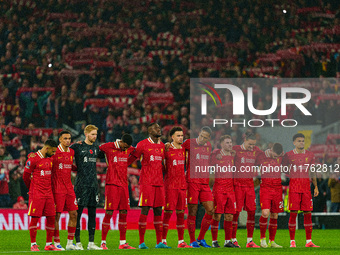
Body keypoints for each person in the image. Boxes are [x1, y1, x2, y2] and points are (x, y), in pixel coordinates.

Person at [127, 123, 170, 249]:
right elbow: (131, 158)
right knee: (145, 209)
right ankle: (141, 242)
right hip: (146, 182)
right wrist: (120, 165)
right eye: (156, 128)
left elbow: (162, 164)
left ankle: (159, 242)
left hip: (159, 183)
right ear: (149, 131)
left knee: (158, 211)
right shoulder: (142, 144)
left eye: (159, 127)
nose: (159, 129)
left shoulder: (162, 146)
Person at [70, 125, 103, 250]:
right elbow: (64, 153)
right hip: (81, 185)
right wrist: (72, 169)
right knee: (77, 214)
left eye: (96, 134)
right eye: (93, 134)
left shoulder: (96, 148)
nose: (95, 136)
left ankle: (91, 243)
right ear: (86, 134)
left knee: (92, 213)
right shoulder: (77, 146)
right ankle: (77, 242)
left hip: (93, 185)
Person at [23, 139, 60, 251]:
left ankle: (49, 244)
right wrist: (32, 189)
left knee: (51, 217)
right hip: (37, 194)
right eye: (53, 151)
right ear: (47, 148)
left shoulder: (50, 158)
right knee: (35, 218)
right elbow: (25, 176)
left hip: (48, 193)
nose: (54, 153)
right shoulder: (33, 159)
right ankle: (33, 244)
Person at [99, 134, 136, 250]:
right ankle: (103, 242)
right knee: (109, 212)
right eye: (125, 146)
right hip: (112, 184)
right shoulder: (108, 146)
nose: (126, 149)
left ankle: (123, 242)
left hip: (124, 185)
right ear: (121, 141)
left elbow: (136, 152)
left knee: (124, 212)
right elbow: (96, 149)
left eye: (128, 147)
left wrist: (127, 162)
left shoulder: (129, 148)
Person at [283, 133, 319, 248]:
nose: (301, 143)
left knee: (307, 213)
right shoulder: (288, 155)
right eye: (299, 141)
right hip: (294, 188)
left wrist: (316, 186)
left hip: (306, 189)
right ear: (294, 143)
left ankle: (309, 241)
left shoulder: (310, 155)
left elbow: (312, 172)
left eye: (303, 141)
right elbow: (284, 170)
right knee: (293, 213)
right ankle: (292, 242)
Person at [183, 126, 214, 248]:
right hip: (192, 182)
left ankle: (201, 238)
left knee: (210, 210)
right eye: (201, 136)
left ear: (208, 138)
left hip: (204, 183)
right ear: (199, 133)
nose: (202, 139)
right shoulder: (189, 143)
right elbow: (177, 150)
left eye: (205, 138)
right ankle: (192, 241)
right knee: (193, 211)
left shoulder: (209, 146)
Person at [162, 127, 192, 248]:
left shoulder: (185, 149)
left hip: (182, 186)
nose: (181, 137)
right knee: (168, 213)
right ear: (172, 137)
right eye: (178, 135)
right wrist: (165, 145)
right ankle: (163, 240)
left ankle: (181, 242)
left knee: (181, 213)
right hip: (170, 186)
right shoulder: (167, 150)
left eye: (182, 135)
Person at [232, 131, 262, 248]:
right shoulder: (235, 149)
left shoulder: (257, 151)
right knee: (236, 212)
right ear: (244, 140)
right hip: (237, 185)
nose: (251, 147)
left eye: (253, 145)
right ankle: (233, 239)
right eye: (249, 144)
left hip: (249, 186)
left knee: (252, 212)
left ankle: (249, 241)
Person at [52, 131, 79, 250]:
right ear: (60, 140)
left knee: (74, 214)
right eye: (65, 138)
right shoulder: (54, 152)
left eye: (69, 138)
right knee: (56, 216)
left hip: (69, 188)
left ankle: (69, 243)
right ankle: (56, 242)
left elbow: (70, 166)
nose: (68, 140)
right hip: (57, 188)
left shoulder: (72, 152)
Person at [209, 135, 238, 248]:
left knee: (229, 216)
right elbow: (209, 165)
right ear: (221, 144)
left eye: (230, 142)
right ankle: (214, 241)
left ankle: (227, 241)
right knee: (217, 216)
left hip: (230, 189)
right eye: (227, 143)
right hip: (219, 189)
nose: (230, 144)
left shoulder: (232, 155)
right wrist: (216, 154)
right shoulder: (217, 154)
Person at [256, 143, 284, 248]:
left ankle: (272, 241)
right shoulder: (261, 156)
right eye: (275, 155)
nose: (276, 158)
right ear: (271, 150)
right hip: (266, 188)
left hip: (277, 188)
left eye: (278, 156)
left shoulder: (281, 157)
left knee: (274, 215)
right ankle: (262, 239)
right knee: (265, 212)